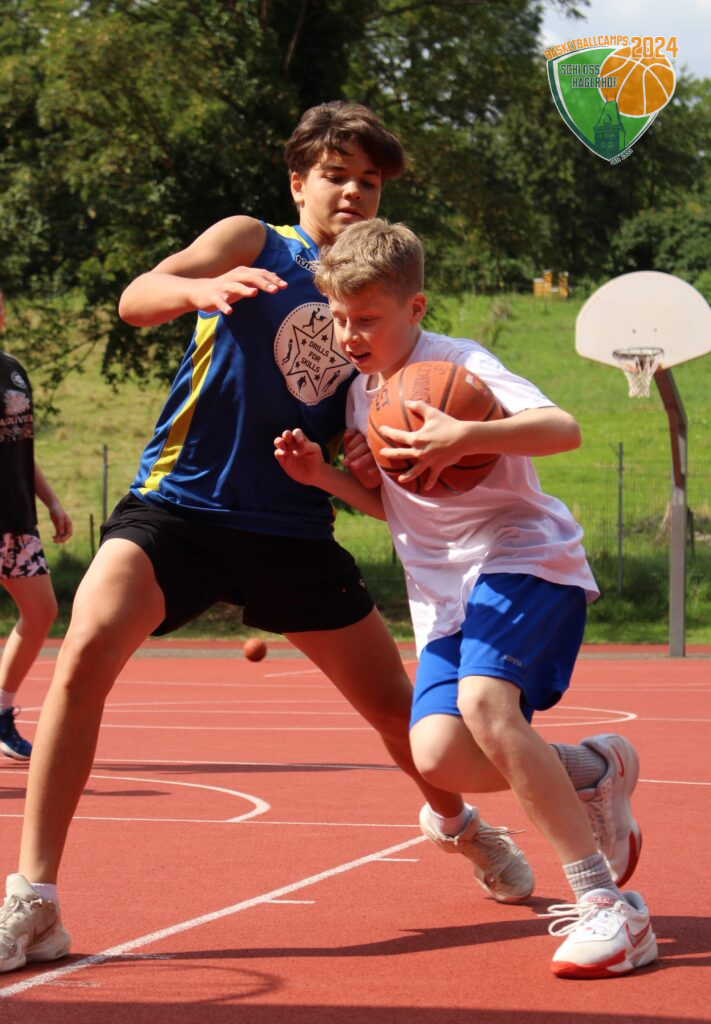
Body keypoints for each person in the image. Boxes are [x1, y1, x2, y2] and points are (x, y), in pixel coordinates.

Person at [0, 102, 534, 976]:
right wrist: (195, 291)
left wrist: (372, 448)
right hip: (178, 508)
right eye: (335, 175)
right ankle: (34, 899)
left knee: (395, 713)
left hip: (290, 525)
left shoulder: (373, 302)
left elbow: (381, 423)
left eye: (368, 181)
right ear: (298, 183)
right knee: (83, 651)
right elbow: (136, 299)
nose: (352, 191)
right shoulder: (253, 242)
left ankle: (458, 823)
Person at [273, 218, 656, 979]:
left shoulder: (460, 365)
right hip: (442, 595)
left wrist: (465, 436)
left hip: (521, 557)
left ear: (414, 308)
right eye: (340, 319)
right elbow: (397, 508)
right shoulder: (361, 397)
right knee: (439, 756)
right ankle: (590, 770)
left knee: (486, 704)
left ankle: (607, 906)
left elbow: (564, 428)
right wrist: (326, 479)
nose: (350, 336)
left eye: (366, 319)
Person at [0, 289, 72, 762]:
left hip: (16, 517)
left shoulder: (12, 370)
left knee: (42, 610)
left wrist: (51, 501)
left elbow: (20, 445)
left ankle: (1, 712)